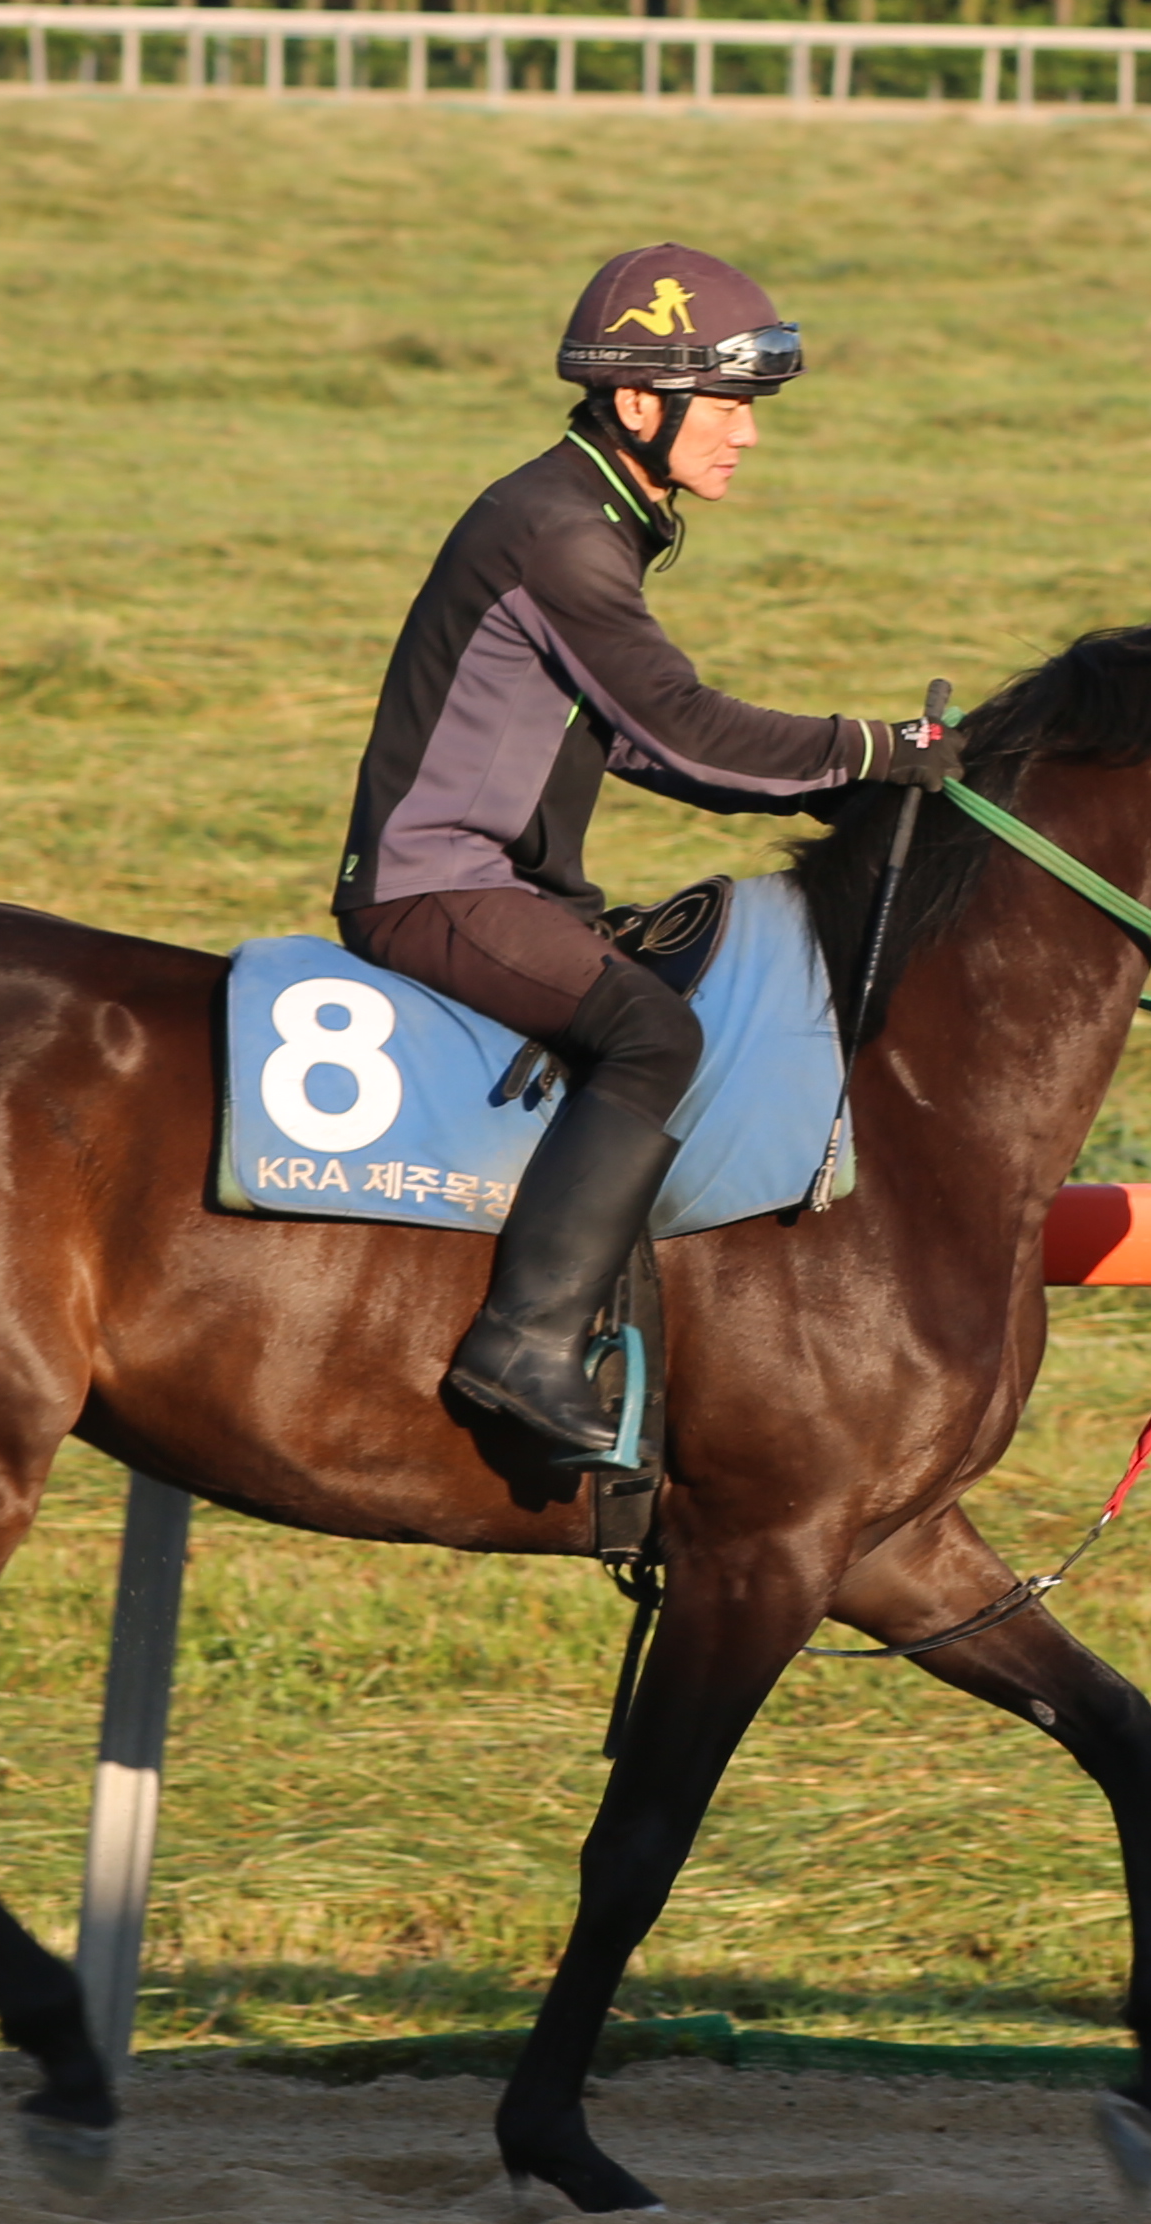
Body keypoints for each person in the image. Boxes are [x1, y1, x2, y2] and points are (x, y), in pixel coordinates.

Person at [332, 245, 948, 1461]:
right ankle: (522, 1345)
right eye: (728, 407)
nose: (747, 437)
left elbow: (638, 746)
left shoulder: (592, 513)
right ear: (636, 405)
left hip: (497, 882)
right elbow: (684, 724)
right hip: (436, 886)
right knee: (654, 1032)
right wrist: (878, 749)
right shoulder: (560, 533)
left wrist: (850, 792)